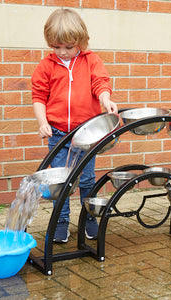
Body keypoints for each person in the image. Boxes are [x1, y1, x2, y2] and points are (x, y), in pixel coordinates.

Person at [31, 8, 118, 243]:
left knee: (87, 179)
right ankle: (61, 222)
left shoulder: (91, 61)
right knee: (61, 182)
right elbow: (39, 97)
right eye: (56, 47)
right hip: (58, 134)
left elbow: (101, 84)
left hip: (87, 133)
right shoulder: (46, 66)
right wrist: (42, 123)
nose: (62, 52)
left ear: (81, 41)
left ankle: (89, 218)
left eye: (68, 47)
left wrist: (105, 100)